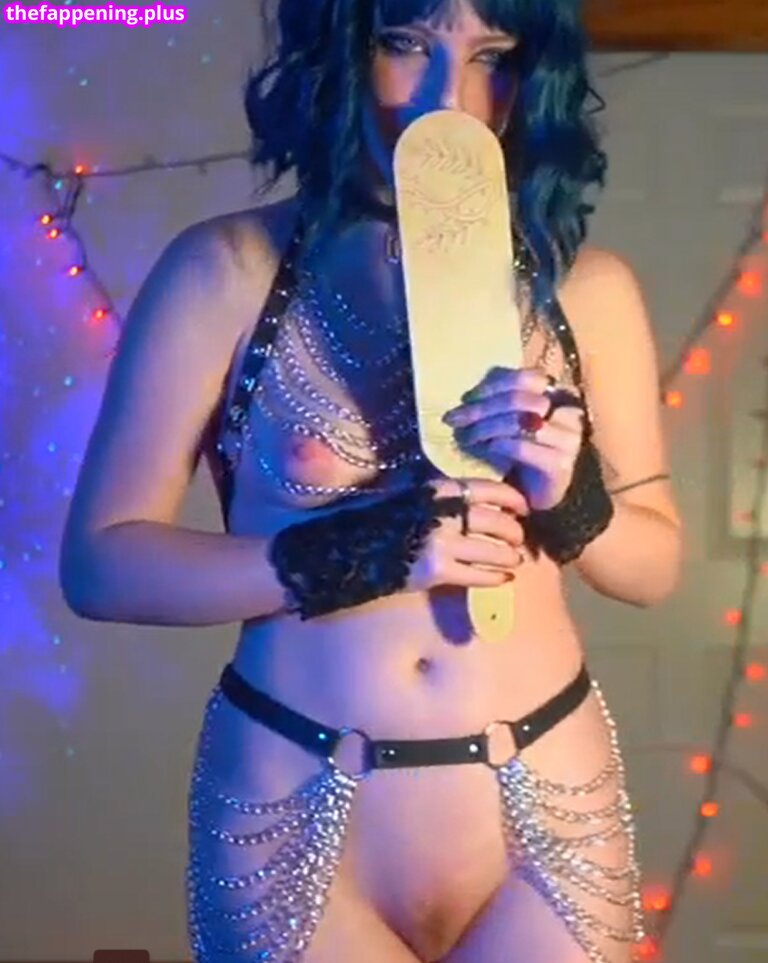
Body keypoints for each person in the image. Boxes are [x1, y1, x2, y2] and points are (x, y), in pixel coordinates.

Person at [59, 0, 683, 960]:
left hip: (545, 804)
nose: (447, 97)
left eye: (492, 55)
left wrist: (576, 496)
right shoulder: (226, 270)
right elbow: (101, 566)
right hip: (294, 801)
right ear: (338, 52)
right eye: (404, 44)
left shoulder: (586, 288)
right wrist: (349, 554)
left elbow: (654, 567)